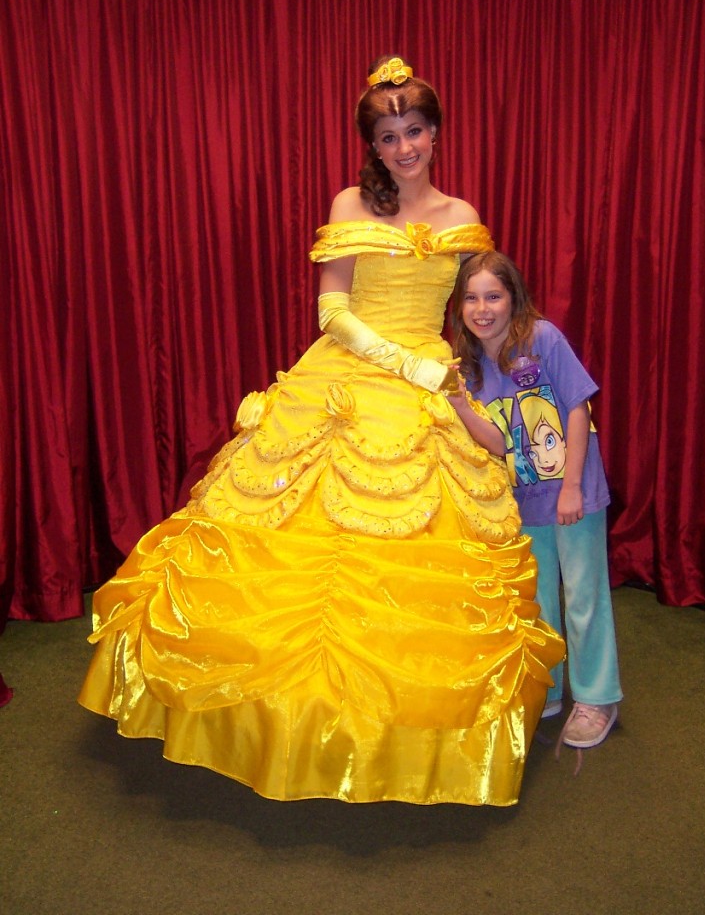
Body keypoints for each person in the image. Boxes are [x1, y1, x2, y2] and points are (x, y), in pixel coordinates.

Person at [78, 57, 564, 805]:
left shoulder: (463, 214)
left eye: (416, 131)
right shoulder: (350, 203)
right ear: (372, 146)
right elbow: (332, 312)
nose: (404, 147)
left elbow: (479, 307)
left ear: (435, 133)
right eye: (389, 136)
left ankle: (412, 726)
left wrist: (515, 377)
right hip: (351, 374)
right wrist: (410, 366)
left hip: (431, 385)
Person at [450, 251, 622, 750]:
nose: (483, 309)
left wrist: (571, 486)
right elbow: (498, 442)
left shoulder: (541, 338)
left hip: (573, 494)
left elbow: (575, 405)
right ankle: (545, 687)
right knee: (539, 598)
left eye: (493, 296)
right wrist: (459, 404)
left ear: (513, 298)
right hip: (523, 501)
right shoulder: (468, 364)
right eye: (471, 298)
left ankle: (596, 696)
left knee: (585, 596)